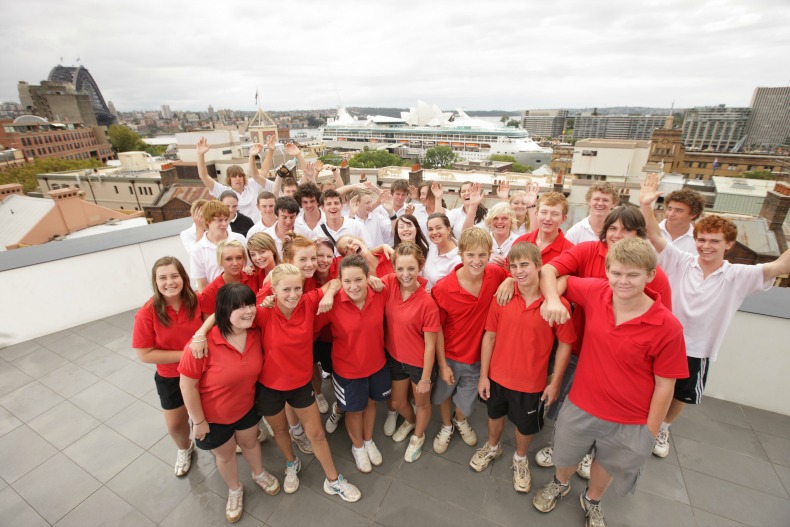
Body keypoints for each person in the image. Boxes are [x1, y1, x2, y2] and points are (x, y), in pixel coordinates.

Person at [532, 238, 688, 527]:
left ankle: (592, 499)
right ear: (607, 271)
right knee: (566, 453)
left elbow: (666, 386)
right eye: (616, 273)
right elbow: (556, 274)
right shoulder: (596, 291)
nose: (623, 281)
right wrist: (553, 299)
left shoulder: (667, 326)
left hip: (629, 418)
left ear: (650, 275)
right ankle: (561, 483)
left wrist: (649, 433)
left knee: (607, 464)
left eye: (633, 275)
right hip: (581, 403)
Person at [640, 173, 789, 459]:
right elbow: (656, 237)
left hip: (698, 348)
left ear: (729, 244)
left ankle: (663, 428)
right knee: (653, 386)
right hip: (665, 341)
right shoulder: (682, 261)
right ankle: (645, 424)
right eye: (702, 240)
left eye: (714, 241)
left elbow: (779, 265)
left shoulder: (738, 276)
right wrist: (647, 206)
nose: (706, 246)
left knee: (682, 394)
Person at [528, 206, 674, 478]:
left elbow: (661, 322)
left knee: (607, 412)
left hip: (619, 356)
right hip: (577, 344)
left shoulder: (652, 273)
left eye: (627, 230)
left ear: (639, 235)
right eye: (613, 228)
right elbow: (550, 271)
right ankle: (563, 447)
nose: (618, 235)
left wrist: (649, 434)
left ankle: (589, 454)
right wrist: (552, 298)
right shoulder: (588, 253)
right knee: (568, 404)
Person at [472, 242, 575, 495]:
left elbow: (565, 345)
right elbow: (489, 337)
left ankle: (520, 459)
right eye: (514, 266)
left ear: (539, 266)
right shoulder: (503, 296)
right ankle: (493, 446)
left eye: (525, 265)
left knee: (525, 426)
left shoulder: (555, 304)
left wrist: (555, 382)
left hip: (531, 383)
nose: (518, 271)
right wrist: (484, 375)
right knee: (494, 415)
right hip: (497, 377)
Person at [252, 264, 360, 501]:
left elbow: (335, 282)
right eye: (286, 289)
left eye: (297, 288)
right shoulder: (264, 312)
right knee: (281, 430)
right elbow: (226, 316)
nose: (293, 295)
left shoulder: (308, 302)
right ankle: (292, 463)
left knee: (317, 435)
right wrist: (199, 337)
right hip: (269, 386)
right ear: (274, 289)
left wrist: (329, 294)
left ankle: (333, 480)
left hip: (301, 384)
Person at [179, 283, 280, 523]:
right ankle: (234, 489)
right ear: (224, 311)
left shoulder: (255, 333)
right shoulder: (200, 346)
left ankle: (259, 473)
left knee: (251, 442)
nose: (248, 311)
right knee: (224, 456)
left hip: (246, 407)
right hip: (213, 417)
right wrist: (199, 422)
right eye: (239, 307)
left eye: (250, 305)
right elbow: (187, 386)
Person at [430, 228, 508, 454]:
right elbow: (438, 330)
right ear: (461, 254)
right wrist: (443, 365)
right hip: (451, 355)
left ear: (489, 254)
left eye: (482, 255)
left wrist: (510, 282)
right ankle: (446, 425)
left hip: (479, 358)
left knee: (466, 397)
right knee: (443, 394)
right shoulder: (443, 288)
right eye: (471, 255)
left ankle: (459, 419)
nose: (477, 261)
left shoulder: (496, 275)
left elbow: (514, 278)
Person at [316, 255, 391, 473]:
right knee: (354, 410)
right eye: (347, 281)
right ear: (339, 280)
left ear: (368, 277)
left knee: (370, 404)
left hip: (376, 363)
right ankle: (358, 447)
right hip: (348, 369)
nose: (353, 286)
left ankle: (368, 440)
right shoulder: (332, 302)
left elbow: (404, 282)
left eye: (358, 280)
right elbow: (310, 329)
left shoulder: (380, 293)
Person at [133, 257, 203, 478]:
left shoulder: (198, 301)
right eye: (162, 278)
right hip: (171, 376)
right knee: (175, 424)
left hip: (204, 372)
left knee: (211, 414)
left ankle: (225, 442)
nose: (169, 282)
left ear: (183, 277)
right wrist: (187, 354)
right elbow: (145, 354)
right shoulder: (146, 313)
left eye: (174, 276)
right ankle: (185, 448)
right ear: (155, 282)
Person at [382, 243, 440, 462]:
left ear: (420, 267)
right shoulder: (390, 283)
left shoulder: (428, 303)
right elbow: (366, 272)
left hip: (419, 364)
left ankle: (418, 436)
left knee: (422, 403)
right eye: (400, 269)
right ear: (393, 268)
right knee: (397, 403)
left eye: (411, 269)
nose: (405, 275)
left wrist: (426, 377)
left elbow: (431, 345)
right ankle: (412, 421)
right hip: (395, 358)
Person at [197, 137, 272, 224]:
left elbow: (264, 170)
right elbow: (204, 176)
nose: (238, 178)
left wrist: (271, 150)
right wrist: (200, 155)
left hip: (256, 229)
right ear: (229, 179)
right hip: (237, 230)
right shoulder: (224, 191)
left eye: (240, 176)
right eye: (234, 176)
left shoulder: (251, 185)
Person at [189, 200, 247, 291]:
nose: (224, 224)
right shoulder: (197, 250)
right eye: (219, 220)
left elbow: (249, 268)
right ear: (207, 221)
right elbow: (202, 286)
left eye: (226, 219)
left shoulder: (240, 239)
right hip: (217, 298)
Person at [512, 192, 574, 264]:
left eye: (555, 214)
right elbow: (508, 271)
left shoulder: (570, 251)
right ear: (536, 214)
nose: (548, 218)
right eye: (544, 212)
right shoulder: (521, 241)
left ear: (563, 219)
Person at [199, 240, 254, 315]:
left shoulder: (253, 277)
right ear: (220, 261)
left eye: (239, 258)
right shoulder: (210, 292)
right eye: (229, 259)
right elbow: (209, 324)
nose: (235, 263)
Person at [658, 187, 705, 254]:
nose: (671, 214)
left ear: (693, 214)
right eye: (669, 208)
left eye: (678, 211)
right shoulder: (648, 232)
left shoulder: (698, 241)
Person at [423, 213, 461, 290]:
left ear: (448, 229)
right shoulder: (432, 246)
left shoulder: (458, 260)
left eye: (438, 228)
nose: (434, 232)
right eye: (430, 229)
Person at [484, 202, 519, 268]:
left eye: (504, 218)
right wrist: (487, 261)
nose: (499, 222)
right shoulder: (481, 240)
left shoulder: (520, 241)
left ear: (511, 221)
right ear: (490, 221)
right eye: (495, 218)